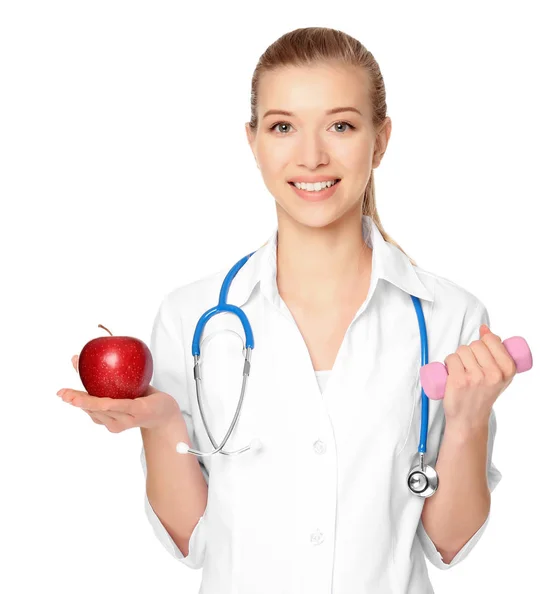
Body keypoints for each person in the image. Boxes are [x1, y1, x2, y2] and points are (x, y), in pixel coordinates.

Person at [57, 26, 514, 594]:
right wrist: (161, 424)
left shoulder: (450, 317)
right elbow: (196, 541)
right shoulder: (192, 318)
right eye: (282, 127)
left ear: (381, 139)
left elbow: (448, 545)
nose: (312, 156)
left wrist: (468, 422)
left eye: (341, 126)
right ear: (253, 142)